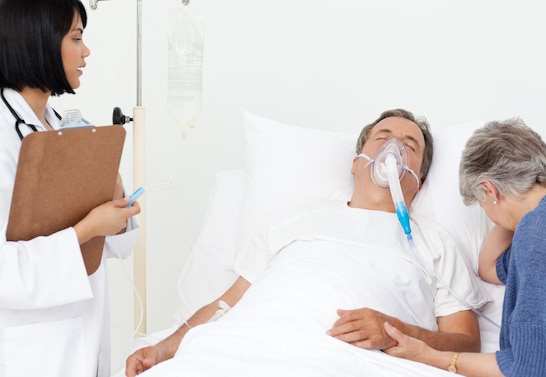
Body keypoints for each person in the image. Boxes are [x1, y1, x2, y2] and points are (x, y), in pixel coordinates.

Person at [124, 109, 488, 376]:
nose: (394, 148)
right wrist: (162, 349)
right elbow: (226, 302)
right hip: (237, 349)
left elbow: (466, 344)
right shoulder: (295, 218)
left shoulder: (434, 243)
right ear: (355, 162)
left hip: (346, 361)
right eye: (383, 137)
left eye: (411, 146)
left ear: (419, 180)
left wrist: (395, 333)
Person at [382, 118, 546, 376]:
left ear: (490, 190)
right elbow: (488, 267)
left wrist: (429, 356)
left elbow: (533, 368)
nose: (488, 215)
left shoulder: (540, 231)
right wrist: (528, 192)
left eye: (482, 203)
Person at [0, 0, 141, 377]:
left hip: (85, 335)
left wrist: (113, 192)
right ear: (39, 42)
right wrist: (86, 229)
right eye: (76, 38)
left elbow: (121, 243)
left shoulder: (62, 127)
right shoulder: (3, 136)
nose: (86, 52)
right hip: (31, 350)